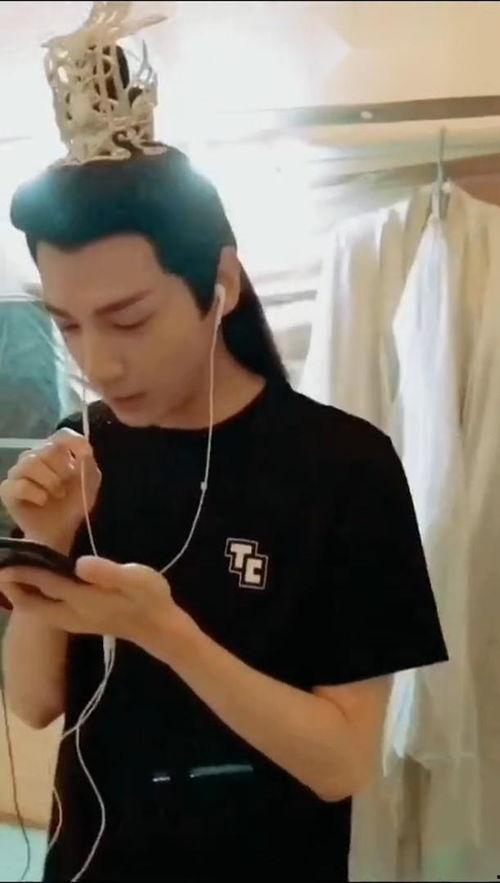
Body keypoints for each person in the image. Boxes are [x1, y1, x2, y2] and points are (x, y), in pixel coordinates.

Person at [0, 5, 448, 881]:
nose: (99, 363)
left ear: (222, 282)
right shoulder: (80, 451)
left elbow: (340, 762)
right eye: (69, 324)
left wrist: (164, 631)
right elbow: (33, 702)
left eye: (130, 318)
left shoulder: (345, 467)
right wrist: (47, 543)